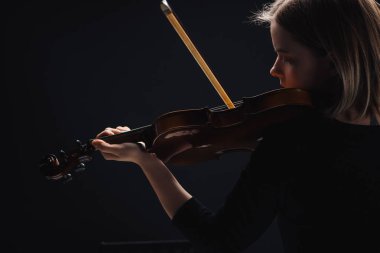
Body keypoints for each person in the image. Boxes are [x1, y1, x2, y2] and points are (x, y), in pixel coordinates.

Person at [91, 0, 380, 252]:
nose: (274, 69)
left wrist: (148, 162)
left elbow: (220, 240)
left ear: (334, 60)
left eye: (288, 58)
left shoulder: (290, 142)